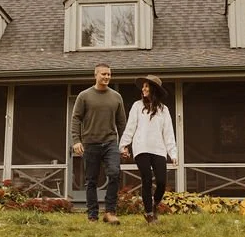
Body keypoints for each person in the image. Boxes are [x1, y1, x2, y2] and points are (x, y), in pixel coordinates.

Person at [71, 63, 128, 224]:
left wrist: (124, 144)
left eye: (109, 74)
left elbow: (122, 123)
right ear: (95, 75)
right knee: (91, 180)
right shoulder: (84, 96)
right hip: (90, 143)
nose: (107, 77)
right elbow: (76, 119)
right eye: (103, 74)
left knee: (114, 174)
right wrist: (76, 140)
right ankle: (92, 215)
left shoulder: (116, 97)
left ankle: (110, 212)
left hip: (110, 142)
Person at [120, 74, 177, 223]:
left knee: (162, 182)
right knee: (146, 179)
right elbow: (130, 127)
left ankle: (154, 205)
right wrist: (124, 145)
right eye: (143, 86)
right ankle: (149, 213)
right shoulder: (137, 106)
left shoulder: (164, 110)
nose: (143, 89)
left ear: (154, 89)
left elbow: (168, 133)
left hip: (159, 149)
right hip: (141, 148)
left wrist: (173, 153)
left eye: (147, 86)